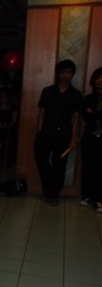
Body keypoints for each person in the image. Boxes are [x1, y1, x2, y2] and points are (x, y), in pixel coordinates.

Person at [34, 59, 81, 206]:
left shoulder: (76, 94)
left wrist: (73, 138)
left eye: (69, 72)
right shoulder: (47, 91)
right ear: (57, 73)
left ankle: (53, 195)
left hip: (64, 135)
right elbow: (41, 112)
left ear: (72, 74)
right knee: (41, 161)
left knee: (59, 166)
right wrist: (39, 131)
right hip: (46, 132)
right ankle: (48, 189)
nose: (65, 75)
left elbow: (76, 118)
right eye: (63, 72)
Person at [79, 67, 102, 213]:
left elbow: (93, 115)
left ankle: (99, 199)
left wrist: (95, 114)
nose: (100, 81)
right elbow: (87, 117)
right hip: (90, 137)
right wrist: (95, 115)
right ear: (93, 81)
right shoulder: (88, 99)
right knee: (88, 166)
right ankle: (86, 196)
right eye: (98, 78)